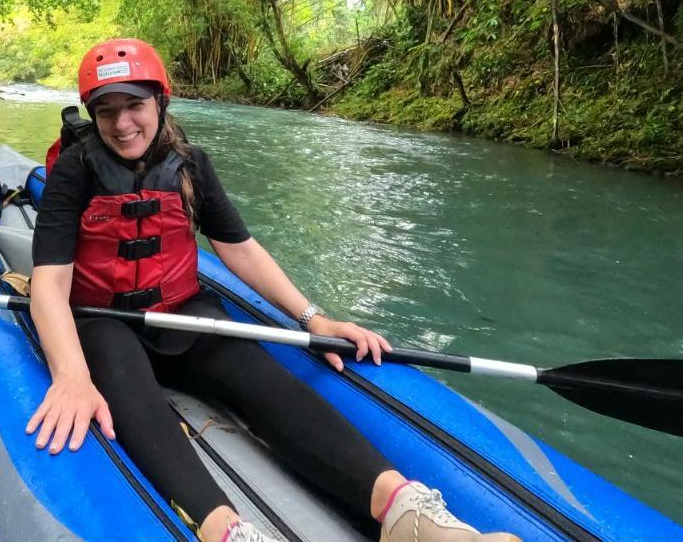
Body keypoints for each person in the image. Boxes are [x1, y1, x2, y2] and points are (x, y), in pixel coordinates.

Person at [27, 38, 520, 542]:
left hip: (181, 312)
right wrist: (70, 374)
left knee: (260, 374)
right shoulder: (75, 170)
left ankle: (402, 510)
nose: (123, 123)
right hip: (104, 319)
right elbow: (49, 283)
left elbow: (239, 249)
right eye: (107, 111)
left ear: (160, 102)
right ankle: (226, 531)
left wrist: (314, 318)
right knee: (123, 380)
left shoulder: (191, 164)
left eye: (135, 105)